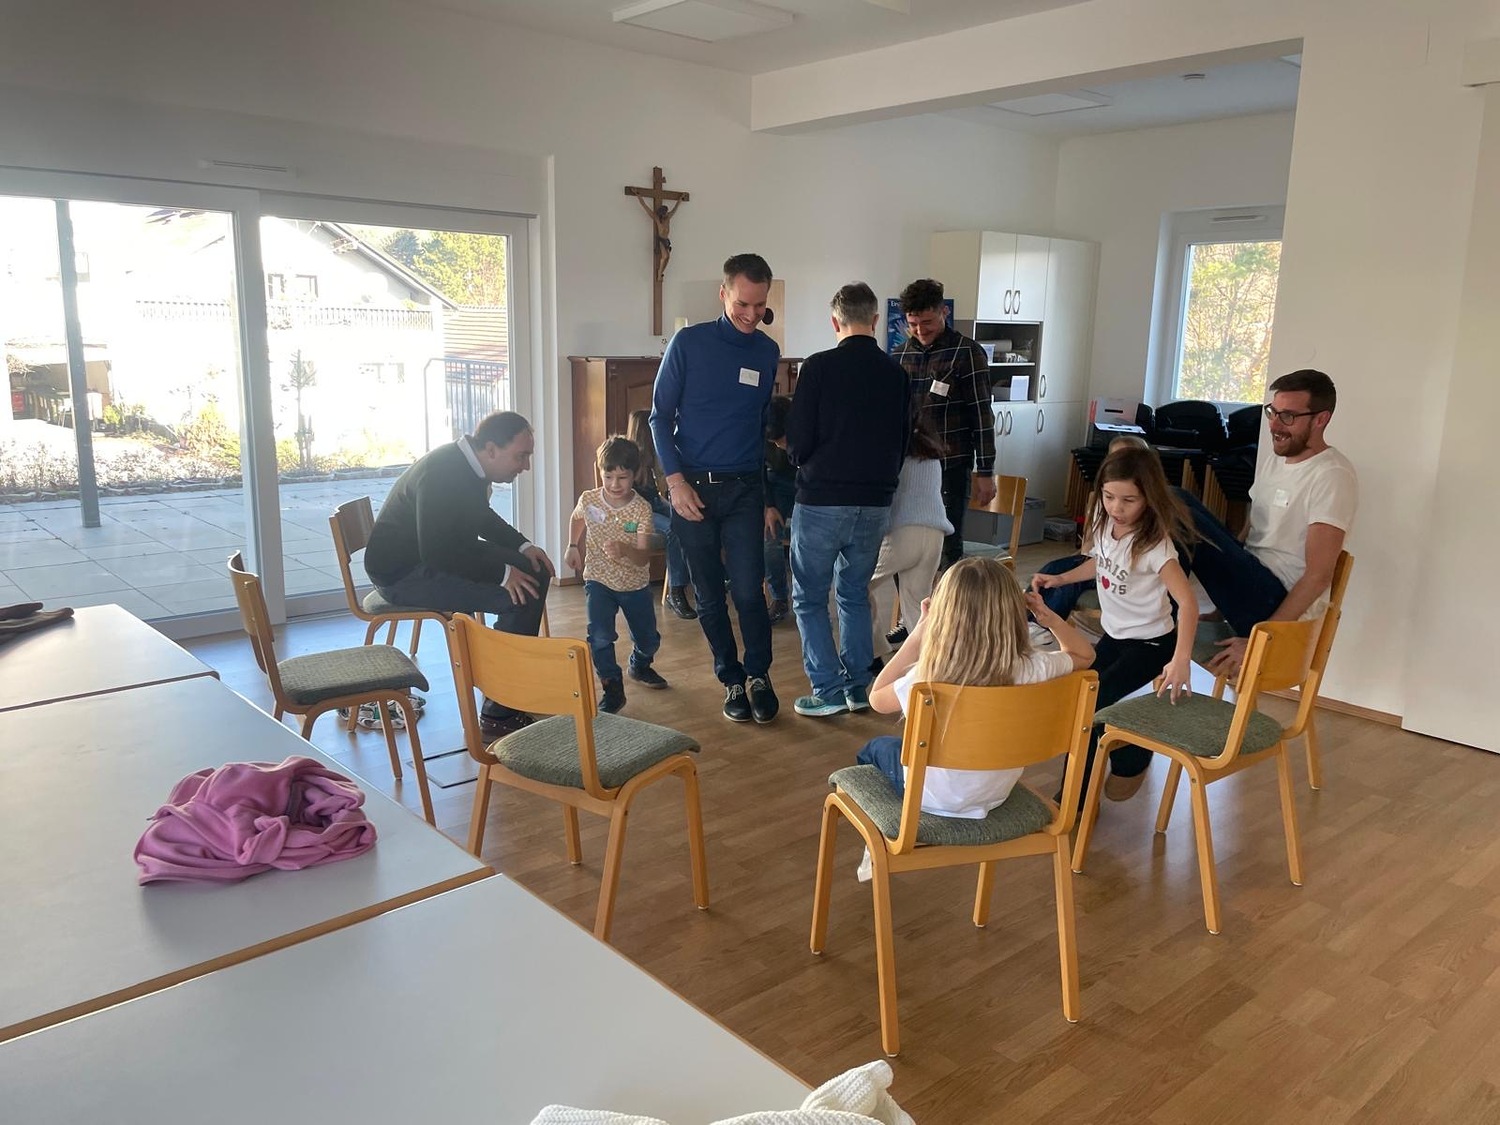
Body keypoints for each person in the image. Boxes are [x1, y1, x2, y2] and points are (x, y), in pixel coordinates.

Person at [853, 558, 1093, 877]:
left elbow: (876, 697)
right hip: (995, 794)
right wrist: (1048, 618)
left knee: (875, 748)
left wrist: (919, 632)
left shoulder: (929, 675)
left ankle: (878, 845)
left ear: (945, 615)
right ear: (1014, 612)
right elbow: (1085, 655)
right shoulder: (1034, 667)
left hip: (929, 798)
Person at [649, 252, 782, 724]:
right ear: (723, 293)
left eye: (760, 305)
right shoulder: (689, 343)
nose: (752, 314)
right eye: (743, 303)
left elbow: (760, 428)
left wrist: (767, 498)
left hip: (745, 489)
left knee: (748, 591)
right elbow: (659, 418)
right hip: (693, 491)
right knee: (708, 594)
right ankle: (731, 679)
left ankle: (759, 675)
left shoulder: (767, 352)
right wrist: (676, 482)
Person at [363, 410, 553, 739]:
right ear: (491, 449)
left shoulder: (466, 465)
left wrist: (523, 547)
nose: (525, 466)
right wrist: (503, 573)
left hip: (432, 557)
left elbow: (480, 517)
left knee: (534, 572)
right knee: (520, 595)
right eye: (521, 456)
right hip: (403, 575)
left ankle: (510, 684)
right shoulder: (442, 474)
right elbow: (438, 554)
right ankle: (498, 713)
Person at [1031, 444, 1199, 802]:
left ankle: (1077, 798)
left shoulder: (1156, 545)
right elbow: (1101, 562)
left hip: (1152, 644)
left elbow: (1187, 603)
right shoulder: (1108, 526)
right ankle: (1126, 753)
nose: (1116, 508)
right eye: (1109, 497)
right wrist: (1061, 579)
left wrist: (1181, 658)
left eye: (1128, 500)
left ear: (1149, 498)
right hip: (1115, 637)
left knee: (1093, 706)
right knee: (1082, 698)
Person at [1180, 369, 1357, 681]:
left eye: (1288, 416)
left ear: (1320, 419)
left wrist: (1262, 638)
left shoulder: (1331, 475)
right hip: (1252, 590)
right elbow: (1251, 539)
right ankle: (1132, 596)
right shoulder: (1274, 460)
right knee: (1175, 501)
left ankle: (1137, 604)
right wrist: (1222, 606)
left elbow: (1319, 576)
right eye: (1273, 412)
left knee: (1175, 503)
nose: (1275, 425)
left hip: (1275, 604)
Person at [786, 282, 911, 718]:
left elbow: (798, 441)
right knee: (854, 593)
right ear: (875, 320)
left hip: (822, 498)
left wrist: (800, 458)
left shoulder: (818, 367)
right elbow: (902, 440)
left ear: (834, 321)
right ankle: (858, 686)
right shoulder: (896, 373)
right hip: (875, 500)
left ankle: (827, 690)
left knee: (809, 597)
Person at [890, 278, 996, 569]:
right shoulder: (899, 356)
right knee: (903, 541)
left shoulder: (967, 353)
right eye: (913, 323)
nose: (920, 330)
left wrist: (985, 471)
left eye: (927, 322)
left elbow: (981, 414)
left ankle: (949, 598)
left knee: (948, 545)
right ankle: (910, 601)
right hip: (908, 467)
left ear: (944, 312)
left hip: (951, 465)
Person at [564, 436, 667, 714]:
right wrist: (572, 545)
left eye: (622, 477)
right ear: (600, 471)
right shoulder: (589, 499)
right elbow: (577, 518)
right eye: (608, 476)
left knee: (649, 640)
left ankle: (640, 664)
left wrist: (625, 549)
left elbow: (643, 556)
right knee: (599, 637)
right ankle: (612, 687)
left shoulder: (641, 509)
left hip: (634, 585)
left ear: (635, 474)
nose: (614, 484)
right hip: (598, 579)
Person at [1032, 433, 1152, 631]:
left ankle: (1043, 628)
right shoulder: (1100, 500)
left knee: (1069, 585)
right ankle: (1024, 622)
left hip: (1117, 570)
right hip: (1095, 558)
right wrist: (1077, 561)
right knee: (1051, 568)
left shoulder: (1139, 513)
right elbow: (1090, 542)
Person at [867, 408, 950, 667]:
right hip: (934, 535)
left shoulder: (890, 453)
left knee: (854, 587)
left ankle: (875, 653)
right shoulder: (930, 452)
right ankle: (931, 666)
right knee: (918, 607)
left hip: (903, 533)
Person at [626, 408, 694, 620]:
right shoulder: (627, 457)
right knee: (673, 530)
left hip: (655, 503)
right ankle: (676, 591)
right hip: (636, 511)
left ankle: (710, 577)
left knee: (687, 520)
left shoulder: (653, 455)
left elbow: (661, 486)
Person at [763, 395, 796, 625]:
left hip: (807, 481)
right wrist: (768, 506)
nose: (778, 445)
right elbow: (759, 472)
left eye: (780, 440)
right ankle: (779, 598)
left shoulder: (805, 426)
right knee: (769, 536)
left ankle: (810, 600)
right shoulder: (762, 431)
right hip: (775, 485)